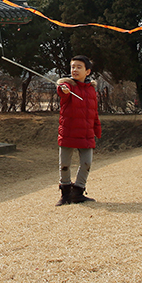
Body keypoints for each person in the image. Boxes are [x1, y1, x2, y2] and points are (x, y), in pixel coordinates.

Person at [55, 55, 102, 206]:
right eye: (73, 67)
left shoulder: (91, 90)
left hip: (86, 133)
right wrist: (63, 90)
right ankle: (65, 194)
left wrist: (97, 128)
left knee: (87, 163)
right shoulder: (67, 85)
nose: (74, 70)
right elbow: (63, 91)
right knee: (65, 164)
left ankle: (78, 192)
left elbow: (94, 113)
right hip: (68, 132)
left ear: (87, 72)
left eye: (78, 67)